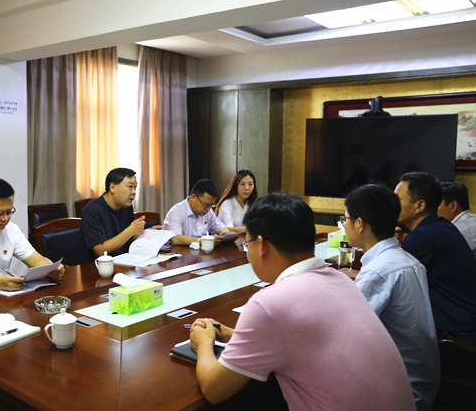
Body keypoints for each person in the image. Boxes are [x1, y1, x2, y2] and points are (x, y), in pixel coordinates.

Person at [189, 193, 415, 410]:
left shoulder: (268, 304)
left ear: (261, 245)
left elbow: (213, 390)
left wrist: (204, 342)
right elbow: (301, 337)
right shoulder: (340, 279)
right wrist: (233, 335)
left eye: (248, 244)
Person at [344, 185, 440, 411]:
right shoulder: (408, 260)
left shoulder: (378, 271)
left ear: (360, 224)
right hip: (422, 383)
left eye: (345, 219)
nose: (344, 225)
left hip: (398, 391)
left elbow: (347, 335)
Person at [394, 172, 476, 338]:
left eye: (397, 200)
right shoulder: (441, 226)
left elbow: (392, 281)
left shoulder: (422, 236)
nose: (391, 205)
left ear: (419, 206)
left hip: (454, 337)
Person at [80, 168, 156, 262]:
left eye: (135, 187)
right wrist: (131, 230)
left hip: (126, 261)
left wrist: (149, 233)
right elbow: (100, 251)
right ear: (112, 187)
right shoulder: (92, 209)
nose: (133, 192)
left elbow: (130, 237)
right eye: (130, 187)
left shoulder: (126, 206)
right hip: (100, 266)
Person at [163, 179, 232, 246]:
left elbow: (220, 228)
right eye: (206, 205)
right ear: (193, 197)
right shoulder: (176, 212)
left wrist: (228, 235)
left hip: (200, 251)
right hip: (178, 252)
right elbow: (175, 239)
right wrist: (203, 241)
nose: (208, 209)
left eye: (211, 205)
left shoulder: (208, 212)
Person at [438, 182, 476, 257]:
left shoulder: (457, 230)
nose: (431, 210)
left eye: (436, 205)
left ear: (453, 206)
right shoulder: (473, 219)